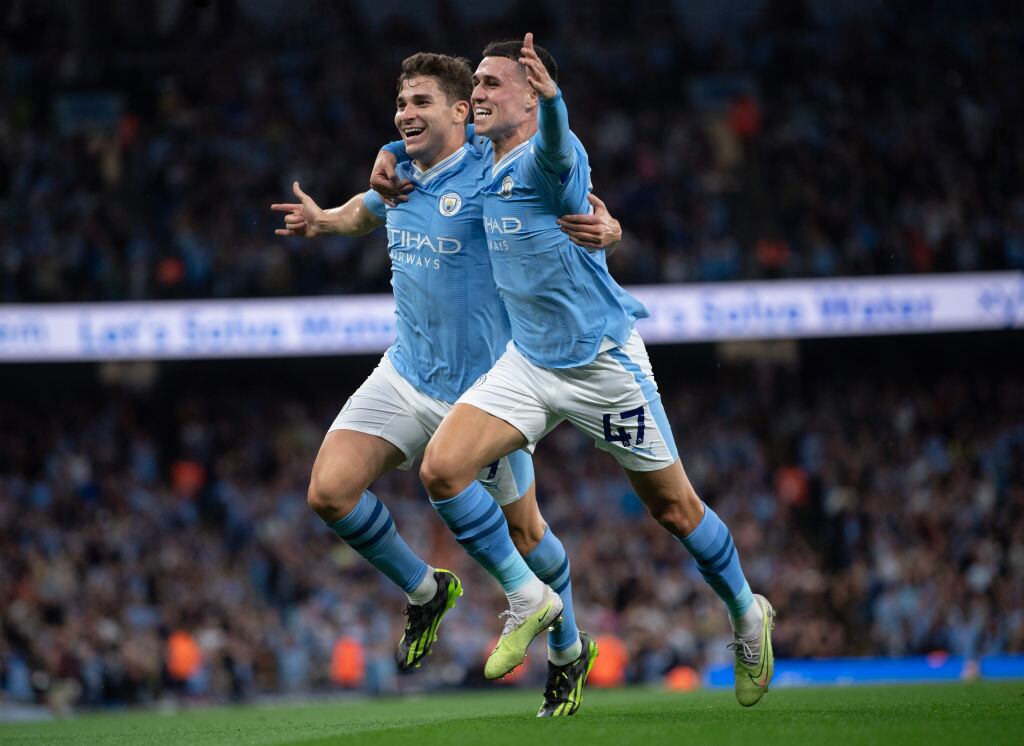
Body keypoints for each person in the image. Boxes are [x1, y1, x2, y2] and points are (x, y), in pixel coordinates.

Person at [373, 35, 776, 707]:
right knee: (441, 470)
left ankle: (744, 609)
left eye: (496, 84)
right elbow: (415, 144)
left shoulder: (546, 157)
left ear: (531, 96)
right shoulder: (479, 154)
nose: (478, 94)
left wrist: (557, 105)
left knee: (674, 510)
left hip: (599, 366)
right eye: (476, 85)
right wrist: (385, 154)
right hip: (527, 364)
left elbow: (562, 157)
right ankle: (528, 599)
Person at [272, 52, 620, 715]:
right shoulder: (398, 174)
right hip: (405, 372)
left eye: (422, 102)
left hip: (483, 394)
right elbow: (363, 212)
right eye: (401, 104)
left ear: (462, 112)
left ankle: (569, 650)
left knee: (525, 533)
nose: (405, 113)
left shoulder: (494, 175)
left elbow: (565, 198)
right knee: (329, 492)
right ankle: (428, 591)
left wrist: (610, 227)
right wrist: (322, 221)